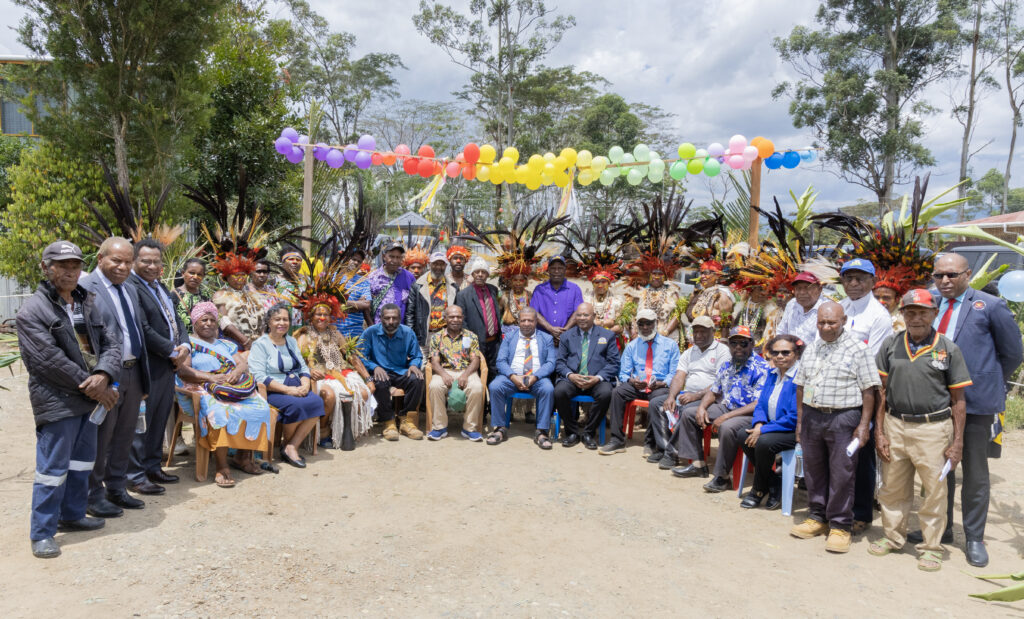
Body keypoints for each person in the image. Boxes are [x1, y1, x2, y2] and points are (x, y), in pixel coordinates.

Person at [905, 253, 1023, 568]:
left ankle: (974, 537)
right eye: (939, 275)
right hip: (936, 402)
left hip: (976, 402)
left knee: (974, 471)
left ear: (967, 274)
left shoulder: (990, 305)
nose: (944, 281)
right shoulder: (931, 305)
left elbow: (1013, 353)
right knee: (939, 468)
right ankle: (940, 528)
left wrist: (990, 382)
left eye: (952, 275)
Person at [17, 240, 121, 558]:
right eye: (61, 265)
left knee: (81, 463)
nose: (70, 271)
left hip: (88, 398)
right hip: (58, 400)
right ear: (46, 268)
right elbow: (47, 361)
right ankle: (42, 532)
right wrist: (96, 387)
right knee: (52, 469)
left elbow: (111, 342)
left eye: (75, 265)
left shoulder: (87, 302)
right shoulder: (32, 311)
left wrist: (104, 374)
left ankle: (73, 515)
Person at [869, 289, 971, 572]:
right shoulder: (891, 345)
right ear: (902, 315)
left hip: (934, 428)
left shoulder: (948, 349)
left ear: (934, 314)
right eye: (910, 312)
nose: (916, 318)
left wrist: (958, 442)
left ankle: (931, 547)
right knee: (892, 488)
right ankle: (892, 537)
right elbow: (881, 394)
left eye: (922, 312)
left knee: (934, 492)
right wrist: (879, 432)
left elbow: (959, 400)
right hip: (895, 425)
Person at [790, 302, 880, 554]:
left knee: (842, 473)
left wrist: (864, 426)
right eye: (821, 322)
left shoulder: (858, 349)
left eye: (831, 322)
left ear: (844, 321)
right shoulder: (812, 348)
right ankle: (817, 517)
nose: (826, 327)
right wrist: (800, 421)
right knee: (814, 471)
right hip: (811, 416)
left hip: (843, 418)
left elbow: (870, 390)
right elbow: (800, 385)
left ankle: (841, 525)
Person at [79, 237, 152, 518]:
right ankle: (93, 495)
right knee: (101, 436)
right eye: (116, 260)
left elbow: (135, 330)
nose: (122, 267)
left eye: (127, 262)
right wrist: (100, 375)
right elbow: (83, 340)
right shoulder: (85, 289)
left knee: (124, 434)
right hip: (107, 376)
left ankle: (117, 488)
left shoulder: (129, 288)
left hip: (134, 372)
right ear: (100, 259)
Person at [175, 302, 274, 486]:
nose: (208, 323)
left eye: (213, 320)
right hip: (204, 389)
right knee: (220, 412)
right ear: (195, 322)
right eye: (204, 319)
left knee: (261, 407)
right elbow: (183, 371)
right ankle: (221, 466)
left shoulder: (226, 344)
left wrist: (237, 372)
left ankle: (242, 457)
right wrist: (211, 378)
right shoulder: (189, 344)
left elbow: (242, 364)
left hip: (232, 387)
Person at [126, 238, 190, 496]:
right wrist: (171, 350)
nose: (152, 266)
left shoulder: (160, 287)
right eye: (146, 261)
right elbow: (144, 329)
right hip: (148, 365)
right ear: (134, 261)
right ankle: (135, 475)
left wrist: (185, 345)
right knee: (141, 422)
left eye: (156, 261)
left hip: (168, 365)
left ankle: (153, 466)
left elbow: (177, 321)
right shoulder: (131, 288)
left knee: (159, 419)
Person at [836, 258, 895, 535]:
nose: (854, 284)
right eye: (848, 278)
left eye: (860, 278)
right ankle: (837, 507)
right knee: (839, 451)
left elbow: (871, 359)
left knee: (861, 453)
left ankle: (861, 511)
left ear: (873, 282)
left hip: (863, 394)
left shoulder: (878, 315)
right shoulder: (841, 308)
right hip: (834, 391)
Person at [678, 326, 770, 491]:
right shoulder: (728, 365)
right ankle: (698, 464)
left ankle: (722, 477)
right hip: (727, 408)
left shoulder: (761, 367)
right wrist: (702, 407)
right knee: (689, 413)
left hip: (751, 414)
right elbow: (714, 391)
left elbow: (757, 404)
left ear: (752, 344)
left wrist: (726, 417)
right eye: (733, 344)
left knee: (728, 427)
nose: (738, 348)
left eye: (743, 343)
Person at [248, 303, 324, 468]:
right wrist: (288, 390)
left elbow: (303, 367)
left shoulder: (290, 340)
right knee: (296, 406)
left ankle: (291, 446)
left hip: (296, 385)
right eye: (277, 319)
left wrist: (304, 385)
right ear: (269, 322)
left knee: (316, 402)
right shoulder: (260, 344)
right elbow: (259, 376)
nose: (282, 323)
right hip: (273, 390)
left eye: (285, 319)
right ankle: (288, 446)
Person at [599, 308, 680, 456]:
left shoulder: (670, 345)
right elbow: (623, 373)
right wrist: (631, 380)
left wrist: (663, 383)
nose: (645, 327)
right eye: (641, 324)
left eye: (648, 323)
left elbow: (675, 373)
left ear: (655, 323)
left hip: (659, 385)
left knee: (657, 399)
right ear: (637, 325)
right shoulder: (632, 346)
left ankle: (650, 443)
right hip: (638, 385)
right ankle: (617, 440)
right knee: (617, 392)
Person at [295, 303, 376, 450]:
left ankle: (346, 429)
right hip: (318, 377)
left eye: (325, 314)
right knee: (330, 395)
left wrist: (368, 378)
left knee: (363, 393)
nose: (322, 318)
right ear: (311, 317)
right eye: (318, 314)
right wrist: (308, 370)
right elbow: (297, 361)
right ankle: (324, 431)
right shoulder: (304, 336)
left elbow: (351, 356)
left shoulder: (335, 334)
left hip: (342, 373)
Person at [739, 334, 804, 509]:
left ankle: (758, 490)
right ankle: (773, 482)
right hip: (771, 426)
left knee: (764, 442)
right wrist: (759, 424)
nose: (780, 356)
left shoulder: (800, 377)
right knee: (740, 434)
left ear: (796, 354)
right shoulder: (772, 373)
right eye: (775, 353)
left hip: (793, 431)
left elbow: (794, 417)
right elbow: (761, 404)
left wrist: (764, 430)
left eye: (785, 352)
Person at [660, 316, 730, 473]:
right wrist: (671, 396)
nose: (698, 335)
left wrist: (695, 396)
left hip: (713, 399)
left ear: (713, 332)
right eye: (695, 331)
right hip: (688, 394)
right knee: (660, 404)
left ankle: (672, 452)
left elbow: (720, 383)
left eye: (703, 331)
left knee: (687, 411)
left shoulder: (723, 351)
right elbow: (679, 376)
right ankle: (661, 447)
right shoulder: (689, 352)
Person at [553, 302, 621, 450]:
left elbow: (614, 363)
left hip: (596, 380)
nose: (582, 318)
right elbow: (560, 363)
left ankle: (589, 433)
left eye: (586, 315)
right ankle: (572, 432)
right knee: (559, 391)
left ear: (594, 316)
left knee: (605, 393)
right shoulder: (567, 336)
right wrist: (570, 375)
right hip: (573, 379)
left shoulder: (607, 335)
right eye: (579, 315)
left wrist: (598, 378)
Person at [487, 308, 557, 448]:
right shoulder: (510, 337)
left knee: (548, 388)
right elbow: (501, 361)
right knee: (495, 386)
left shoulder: (546, 338)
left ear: (536, 322)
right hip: (512, 377)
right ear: (518, 321)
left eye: (530, 320)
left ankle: (542, 431)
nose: (526, 323)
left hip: (537, 378)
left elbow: (551, 363)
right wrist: (513, 377)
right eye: (523, 320)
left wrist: (535, 377)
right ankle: (500, 428)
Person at [359, 303, 426, 441]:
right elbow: (360, 356)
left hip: (400, 370)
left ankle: (405, 421)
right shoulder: (370, 332)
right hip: (380, 372)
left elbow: (417, 355)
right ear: (380, 318)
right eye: (387, 318)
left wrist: (414, 365)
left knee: (417, 379)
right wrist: (374, 367)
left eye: (394, 318)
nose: (391, 322)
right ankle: (388, 422)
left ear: (400, 318)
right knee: (380, 383)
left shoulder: (408, 332)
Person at [427, 305, 485, 441]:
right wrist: (443, 374)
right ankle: (439, 427)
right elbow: (434, 362)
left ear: (463, 318)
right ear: (445, 318)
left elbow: (475, 360)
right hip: (444, 371)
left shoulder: (471, 336)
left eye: (458, 317)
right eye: (452, 316)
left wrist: (465, 375)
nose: (455, 319)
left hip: (467, 371)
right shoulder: (437, 337)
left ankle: (469, 428)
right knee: (435, 386)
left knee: (477, 387)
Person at [455, 258, 502, 372]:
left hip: (494, 342)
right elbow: (462, 321)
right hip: (476, 343)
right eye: (477, 272)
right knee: (478, 372)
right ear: (472, 274)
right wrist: (468, 343)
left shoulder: (493, 290)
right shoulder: (463, 295)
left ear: (487, 275)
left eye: (483, 272)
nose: (480, 275)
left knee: (494, 371)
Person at [529, 255, 583, 344]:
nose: (556, 271)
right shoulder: (539, 290)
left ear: (565, 269)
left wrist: (564, 331)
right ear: (548, 270)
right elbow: (533, 312)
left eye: (560, 268)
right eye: (553, 268)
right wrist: (551, 329)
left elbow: (578, 312)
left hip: (568, 339)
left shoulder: (574, 289)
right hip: (543, 339)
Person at [366, 242, 420, 325]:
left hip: (401, 330)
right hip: (379, 329)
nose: (395, 261)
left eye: (398, 257)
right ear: (384, 256)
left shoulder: (408, 277)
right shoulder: (373, 277)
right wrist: (371, 326)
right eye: (391, 256)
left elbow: (415, 305)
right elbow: (366, 306)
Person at [417, 251, 456, 346]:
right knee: (424, 360)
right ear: (430, 264)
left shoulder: (452, 286)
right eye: (435, 264)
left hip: (445, 334)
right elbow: (410, 314)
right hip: (425, 336)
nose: (438, 267)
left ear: (446, 266)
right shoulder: (418, 285)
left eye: (441, 264)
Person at [776, 271, 825, 346]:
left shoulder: (827, 309)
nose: (802, 292)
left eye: (807, 288)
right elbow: (781, 331)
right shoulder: (792, 304)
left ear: (819, 289)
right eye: (798, 288)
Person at [634, 266, 681, 345]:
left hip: (666, 337)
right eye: (654, 273)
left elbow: (678, 314)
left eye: (660, 274)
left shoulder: (672, 293)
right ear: (649, 275)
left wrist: (666, 332)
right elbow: (631, 314)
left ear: (665, 276)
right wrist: (634, 332)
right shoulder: (640, 293)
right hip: (642, 336)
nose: (656, 277)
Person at [686, 261, 735, 333]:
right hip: (694, 337)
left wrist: (723, 340)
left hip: (714, 338)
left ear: (717, 275)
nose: (702, 276)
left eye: (707, 273)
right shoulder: (696, 294)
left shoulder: (722, 295)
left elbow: (727, 322)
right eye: (701, 273)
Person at [173, 257, 210, 334]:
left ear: (203, 277)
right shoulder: (174, 295)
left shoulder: (205, 296)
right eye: (192, 273)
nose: (195, 277)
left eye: (199, 274)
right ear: (183, 273)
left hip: (202, 342)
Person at [583, 270, 624, 338]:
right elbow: (583, 322)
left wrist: (606, 333)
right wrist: (603, 323)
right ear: (593, 284)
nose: (600, 285)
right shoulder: (585, 300)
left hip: (611, 338)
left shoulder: (617, 301)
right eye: (597, 282)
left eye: (603, 282)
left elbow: (621, 326)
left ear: (609, 283)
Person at [499, 271, 532, 338]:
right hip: (508, 333)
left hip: (525, 332)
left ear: (525, 282)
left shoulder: (529, 296)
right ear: (511, 281)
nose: (518, 283)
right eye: (515, 280)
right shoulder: (505, 296)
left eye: (521, 280)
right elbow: (497, 314)